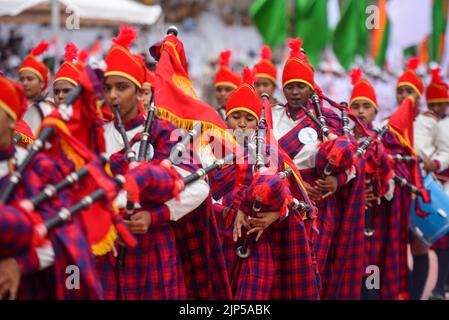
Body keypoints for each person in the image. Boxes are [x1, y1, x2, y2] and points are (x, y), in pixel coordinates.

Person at [205, 67, 319, 299]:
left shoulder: (269, 153)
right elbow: (202, 196)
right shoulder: (209, 148)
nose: (242, 124)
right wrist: (229, 212)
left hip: (258, 241)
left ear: (258, 124)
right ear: (225, 118)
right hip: (218, 242)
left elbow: (294, 200)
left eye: (249, 118)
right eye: (236, 116)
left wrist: (276, 214)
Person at [0, 74, 103, 299]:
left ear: (11, 120)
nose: (61, 97)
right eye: (58, 91)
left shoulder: (37, 169)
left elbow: (68, 235)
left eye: (67, 91)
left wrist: (21, 263)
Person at [271, 38, 359, 299]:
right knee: (278, 272)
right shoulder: (270, 116)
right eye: (290, 87)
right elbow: (259, 157)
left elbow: (352, 163)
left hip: (317, 206)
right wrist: (288, 185)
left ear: (311, 88)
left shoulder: (328, 120)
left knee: (311, 272)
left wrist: (338, 180)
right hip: (276, 201)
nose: (295, 92)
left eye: (301, 86)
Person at [349, 69, 402, 299]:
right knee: (348, 273)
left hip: (375, 220)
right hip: (349, 220)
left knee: (372, 275)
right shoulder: (340, 138)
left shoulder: (384, 140)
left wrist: (381, 187)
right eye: (356, 105)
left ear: (376, 111)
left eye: (366, 106)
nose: (360, 111)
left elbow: (394, 183)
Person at [417, 68, 449, 300]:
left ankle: (440, 287)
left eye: (442, 104)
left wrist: (435, 163)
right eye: (434, 104)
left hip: (443, 186)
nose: (438, 109)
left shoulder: (445, 125)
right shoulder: (424, 121)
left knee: (443, 238)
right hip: (430, 186)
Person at [18, 40, 54, 135]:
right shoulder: (15, 107)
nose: (24, 83)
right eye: (22, 79)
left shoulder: (49, 109)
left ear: (42, 83)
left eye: (30, 79)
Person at [214, 49, 241, 119]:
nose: (222, 93)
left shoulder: (245, 117)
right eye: (219, 90)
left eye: (227, 90)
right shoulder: (212, 116)